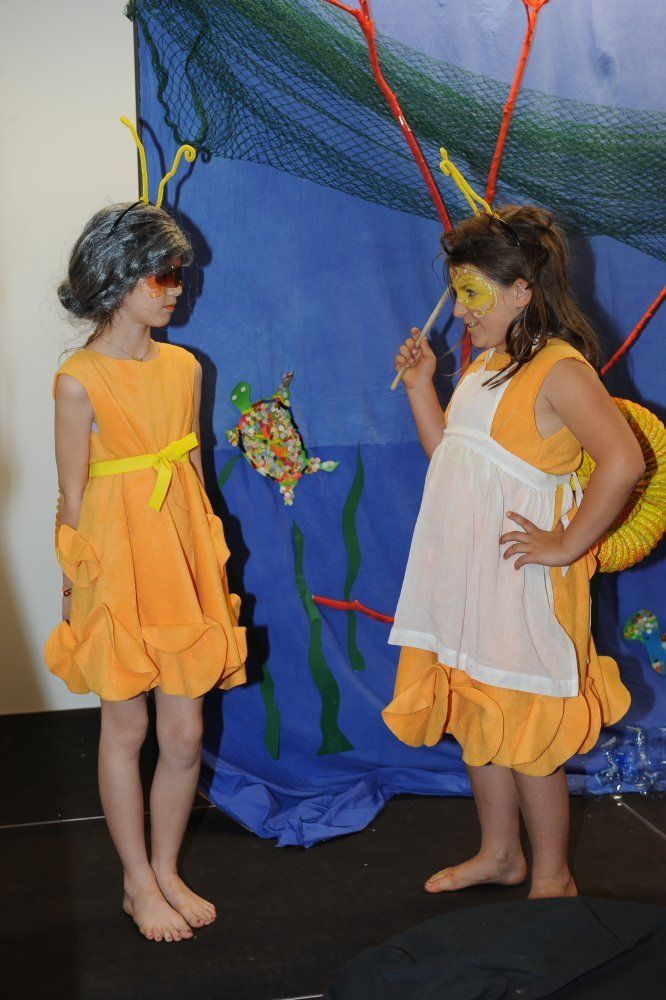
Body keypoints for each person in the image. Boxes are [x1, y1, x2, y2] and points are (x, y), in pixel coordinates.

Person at [383, 205, 644, 899]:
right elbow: (450, 457)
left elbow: (623, 461)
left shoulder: (560, 369)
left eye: (473, 293)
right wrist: (422, 387)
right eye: (457, 291)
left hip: (527, 586)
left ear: (523, 290)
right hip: (470, 579)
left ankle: (553, 875)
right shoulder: (484, 366)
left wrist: (567, 543)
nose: (460, 309)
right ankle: (501, 854)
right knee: (480, 712)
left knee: (529, 731)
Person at [46, 202, 246, 941]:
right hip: (117, 564)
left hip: (179, 558)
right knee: (127, 725)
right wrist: (74, 592)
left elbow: (191, 473)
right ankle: (136, 881)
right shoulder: (78, 380)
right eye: (162, 276)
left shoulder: (185, 367)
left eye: (178, 275)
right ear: (117, 277)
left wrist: (209, 563)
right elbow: (72, 497)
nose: (176, 290)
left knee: (186, 732)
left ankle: (166, 868)